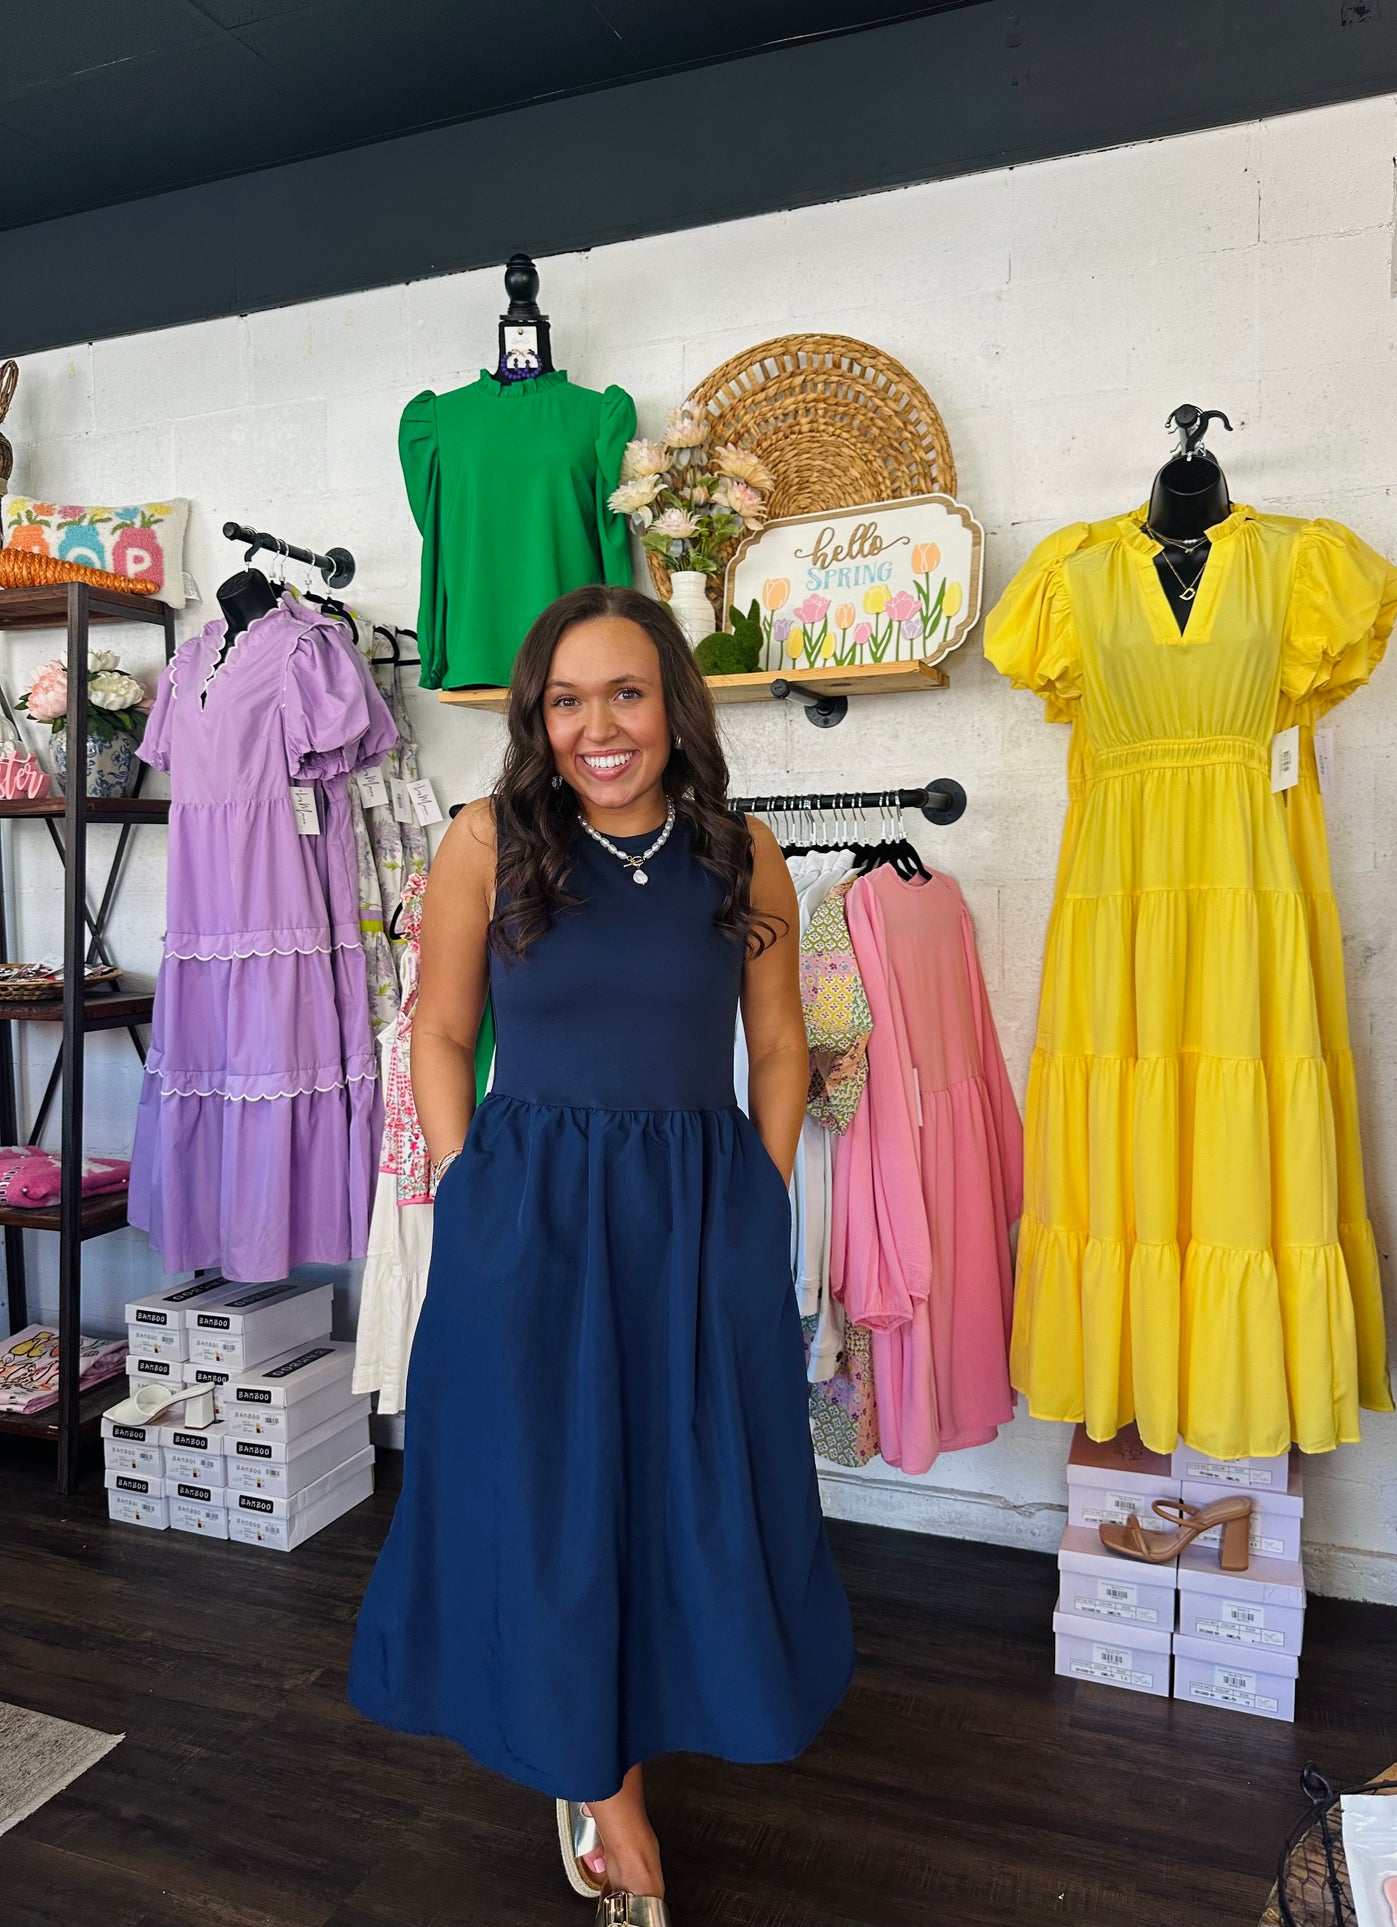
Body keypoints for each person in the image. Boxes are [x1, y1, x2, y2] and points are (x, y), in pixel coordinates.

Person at [348, 584, 857, 1924]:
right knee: (547, 1489)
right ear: (536, 719)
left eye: (623, 693)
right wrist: (468, 1187)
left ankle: (630, 1725)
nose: (596, 727)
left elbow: (780, 1038)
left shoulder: (740, 852)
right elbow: (440, 1034)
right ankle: (601, 1776)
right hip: (531, 1211)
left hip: (697, 1206)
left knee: (682, 1478)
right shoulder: (485, 842)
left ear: (672, 702)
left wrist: (762, 1179)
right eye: (564, 702)